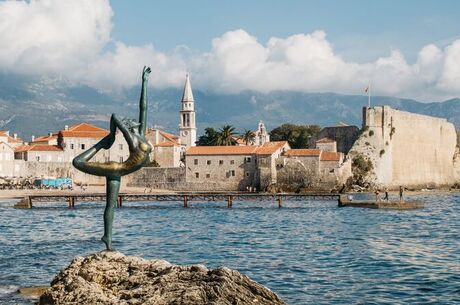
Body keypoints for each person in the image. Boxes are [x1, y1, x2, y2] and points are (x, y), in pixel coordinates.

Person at [73, 66, 152, 251]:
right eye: (131, 121)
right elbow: (115, 116)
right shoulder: (131, 137)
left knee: (111, 206)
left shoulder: (140, 133)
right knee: (77, 162)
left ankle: (107, 238)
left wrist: (144, 82)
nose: (136, 120)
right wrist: (111, 136)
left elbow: (144, 107)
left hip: (119, 172)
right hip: (115, 168)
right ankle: (101, 144)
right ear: (128, 126)